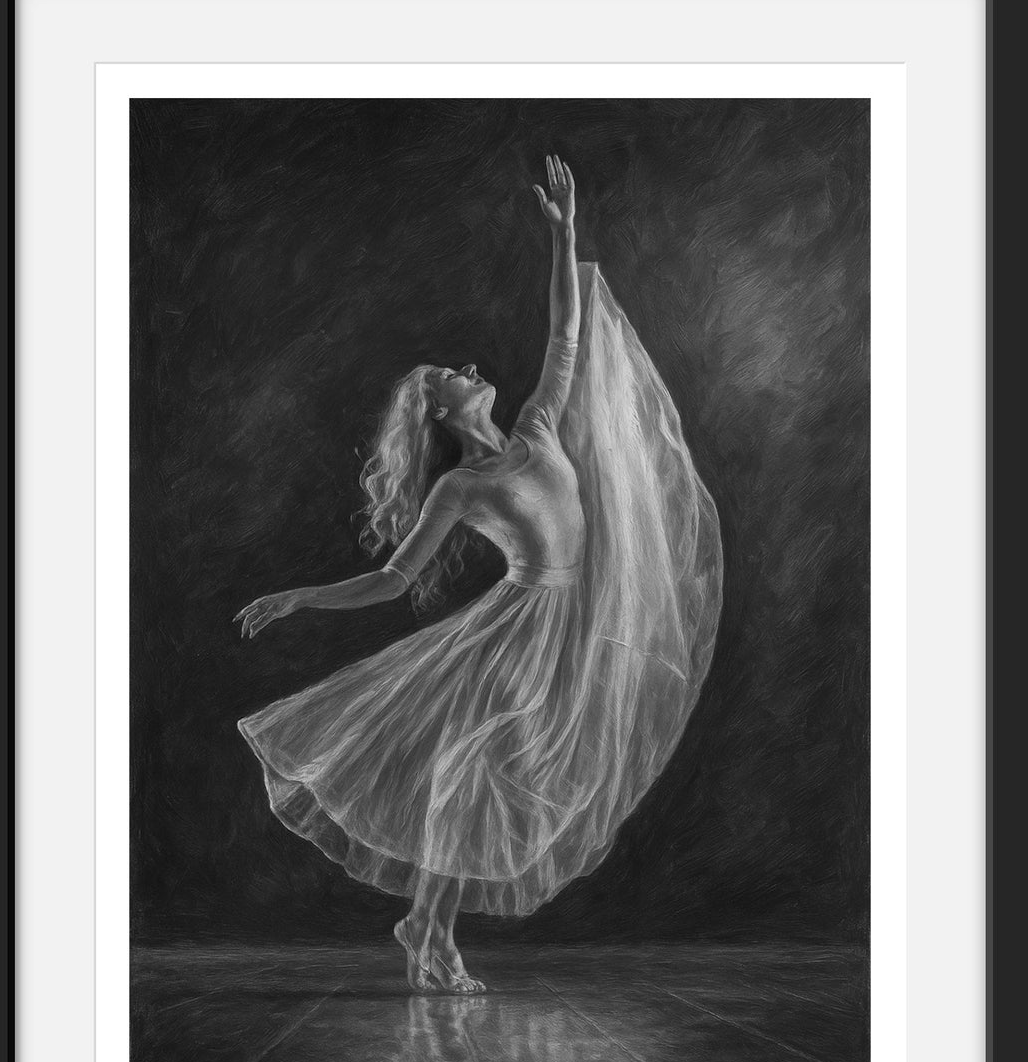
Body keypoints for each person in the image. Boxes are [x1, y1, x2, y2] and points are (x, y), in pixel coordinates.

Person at [236, 156, 721, 994]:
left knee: (495, 781)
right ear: (442, 409)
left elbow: (565, 337)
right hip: (516, 631)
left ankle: (425, 925)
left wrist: (565, 238)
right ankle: (429, 933)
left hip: (571, 623)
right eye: (454, 374)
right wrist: (300, 598)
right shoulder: (462, 488)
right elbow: (393, 580)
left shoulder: (538, 426)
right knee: (473, 776)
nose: (468, 366)